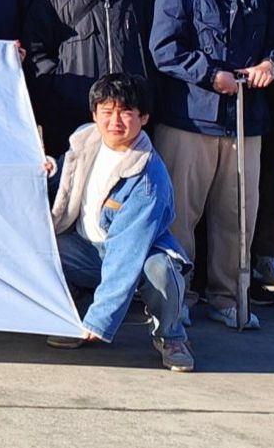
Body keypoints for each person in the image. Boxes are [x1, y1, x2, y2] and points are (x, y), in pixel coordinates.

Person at [149, 0, 274, 331]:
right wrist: (211, 75)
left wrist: (271, 65)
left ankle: (228, 297)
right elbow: (164, 49)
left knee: (237, 216)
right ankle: (178, 296)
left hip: (246, 120)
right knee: (181, 216)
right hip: (190, 120)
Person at [45, 74, 196, 373]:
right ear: (94, 114)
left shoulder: (149, 178)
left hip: (138, 256)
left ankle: (172, 335)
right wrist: (49, 170)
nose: (115, 120)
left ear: (144, 117)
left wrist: (99, 320)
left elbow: (127, 252)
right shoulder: (84, 140)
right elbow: (64, 179)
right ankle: (71, 314)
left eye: (126, 112)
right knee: (43, 249)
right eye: (107, 111)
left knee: (161, 271)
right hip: (86, 249)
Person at [21, 0, 155, 157]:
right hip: (71, 118)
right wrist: (63, 90)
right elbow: (36, 54)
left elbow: (151, 55)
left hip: (126, 119)